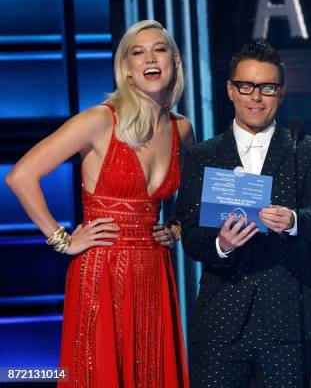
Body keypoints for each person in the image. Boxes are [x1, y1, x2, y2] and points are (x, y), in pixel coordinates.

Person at [6, 20, 194, 387]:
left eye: (159, 49)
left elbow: (193, 193)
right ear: (126, 68)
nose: (149, 58)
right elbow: (21, 176)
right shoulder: (99, 121)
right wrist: (62, 240)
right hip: (101, 273)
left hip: (155, 273)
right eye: (137, 52)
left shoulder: (181, 129)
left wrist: (176, 227)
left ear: (174, 62)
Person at [174, 39, 311, 388]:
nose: (256, 97)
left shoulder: (307, 150)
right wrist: (221, 243)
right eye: (246, 86)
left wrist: (293, 221)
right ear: (231, 90)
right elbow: (189, 232)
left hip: (288, 318)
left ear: (282, 92)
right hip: (220, 320)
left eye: (267, 87)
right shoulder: (203, 155)